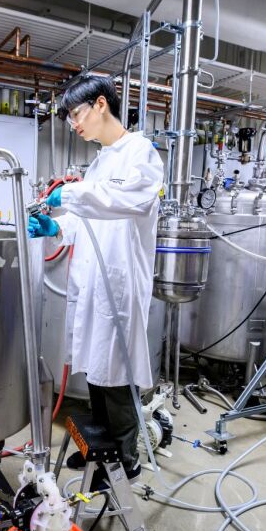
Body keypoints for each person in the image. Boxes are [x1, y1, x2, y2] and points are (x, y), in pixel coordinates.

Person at [28, 75, 163, 484]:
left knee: (116, 372)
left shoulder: (140, 152)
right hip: (94, 283)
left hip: (120, 284)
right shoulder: (102, 160)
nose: (74, 123)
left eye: (76, 113)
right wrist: (57, 227)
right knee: (96, 370)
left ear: (101, 104)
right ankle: (100, 452)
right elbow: (89, 215)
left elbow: (126, 201)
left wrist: (67, 195)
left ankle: (125, 460)